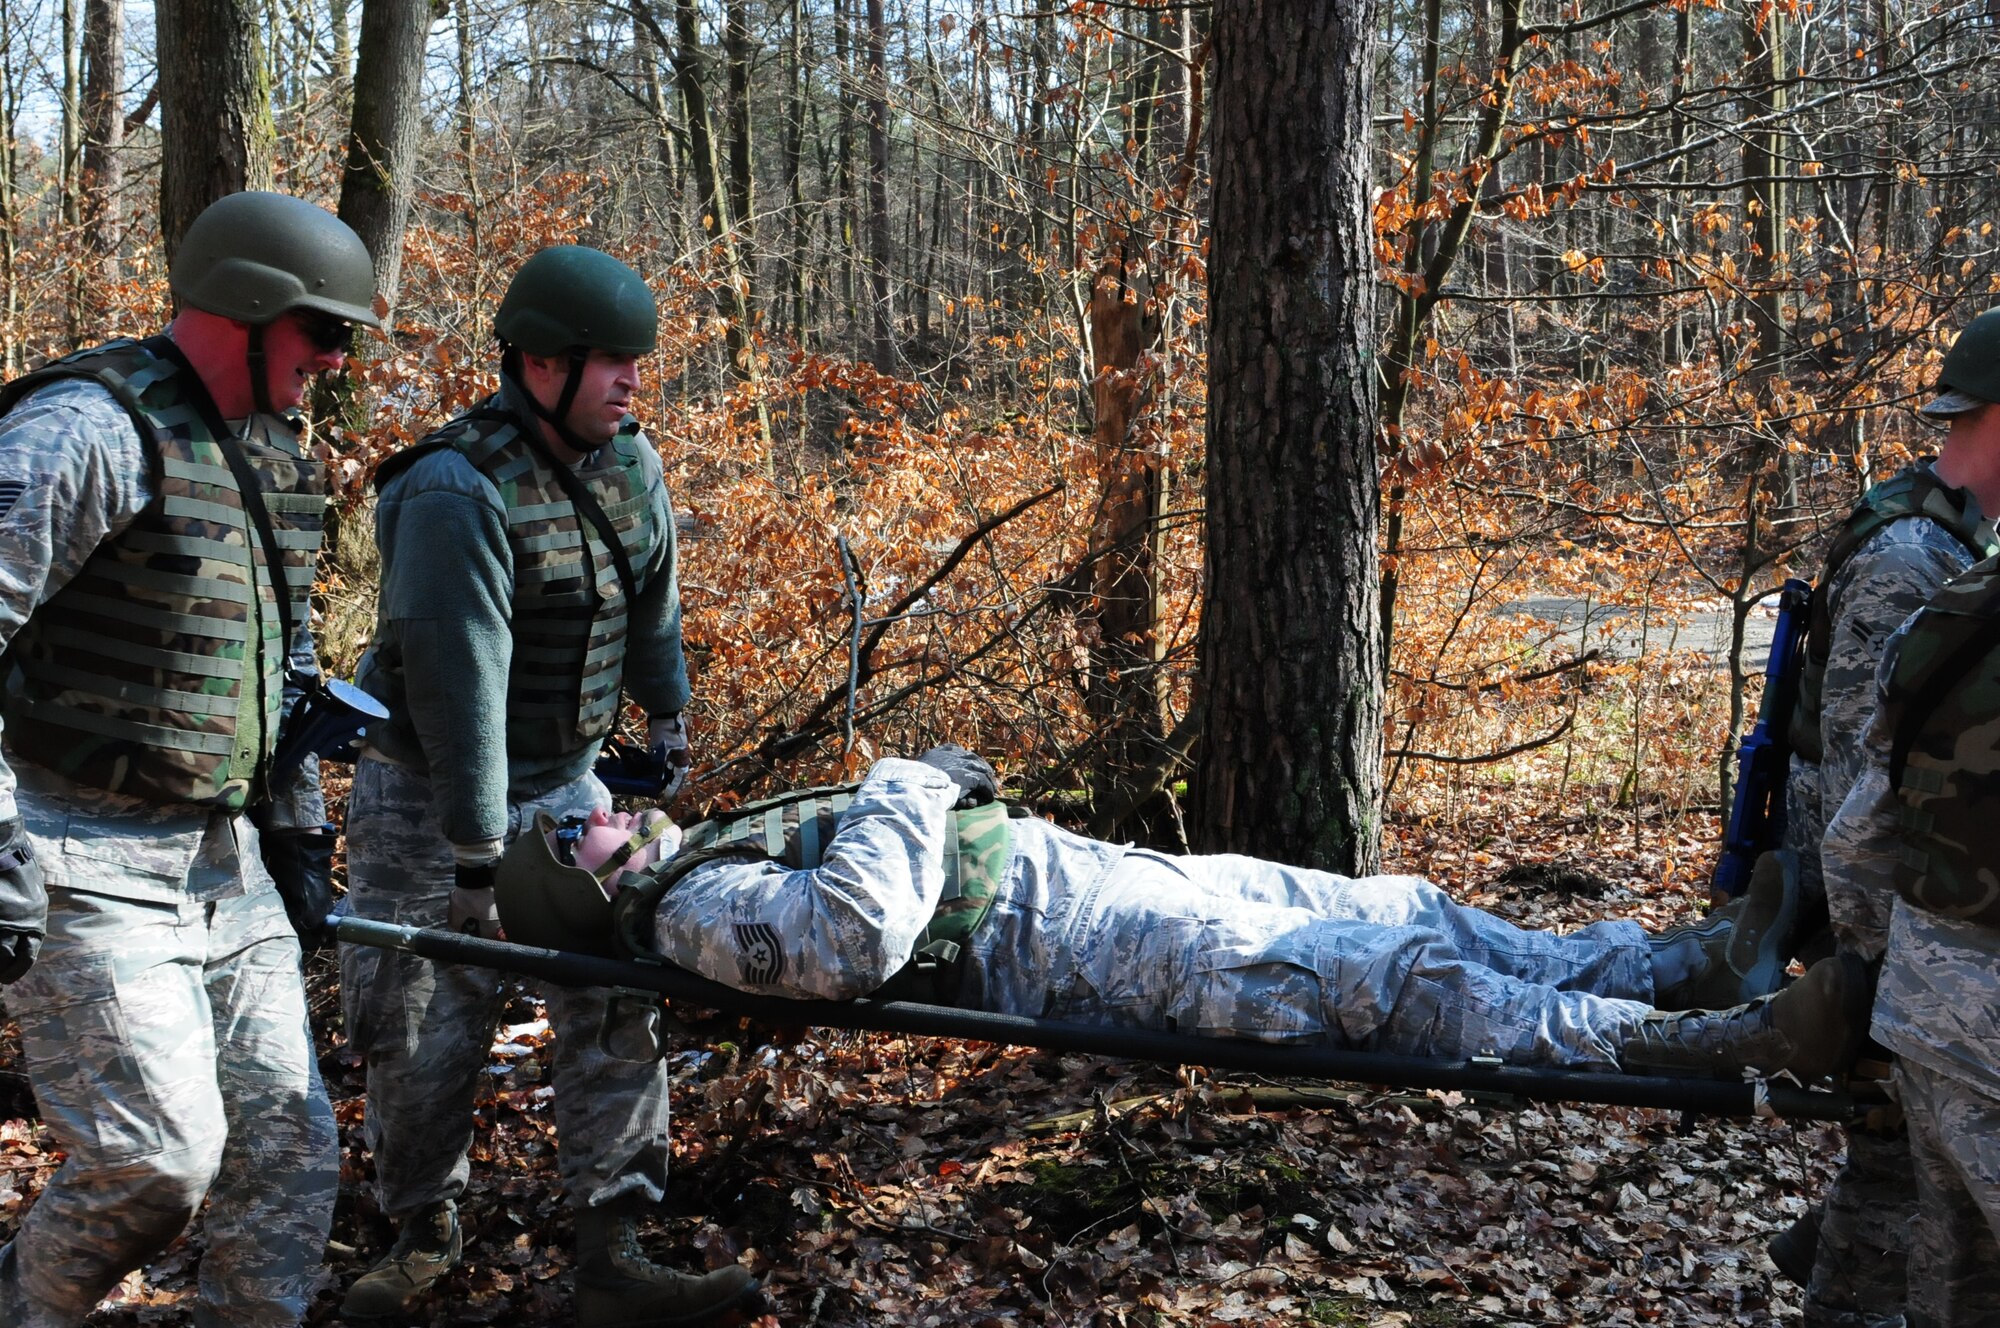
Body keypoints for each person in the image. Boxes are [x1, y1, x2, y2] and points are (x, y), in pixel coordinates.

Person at [495, 750, 1867, 1084]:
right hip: (1071, 947)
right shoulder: (691, 914)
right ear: (587, 878)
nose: (608, 804)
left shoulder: (699, 863)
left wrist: (905, 797)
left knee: (1395, 903)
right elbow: (855, 938)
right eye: (581, 825)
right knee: (1380, 981)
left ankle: (1681, 960)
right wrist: (903, 783)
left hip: (1081, 881)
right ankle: (1687, 1041)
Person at [336, 244, 755, 1327]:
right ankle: (421, 1226)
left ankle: (613, 1244)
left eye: (632, 360)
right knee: (425, 1017)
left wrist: (667, 719)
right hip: (428, 799)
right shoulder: (451, 489)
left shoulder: (631, 462)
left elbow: (651, 597)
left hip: (567, 781)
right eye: (606, 360)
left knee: (617, 982)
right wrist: (477, 856)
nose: (628, 379)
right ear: (537, 362)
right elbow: (455, 683)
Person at [0, 192, 378, 1327]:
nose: (336, 359)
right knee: (159, 1158)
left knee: (288, 1149)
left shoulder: (276, 457)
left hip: (226, 856)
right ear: (254, 311)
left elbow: (283, 667)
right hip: (77, 847)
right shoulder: (87, 430)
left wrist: (301, 829)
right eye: (324, 330)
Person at [1773, 307, 2000, 1322]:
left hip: (1913, 936)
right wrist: (1864, 958)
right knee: (1887, 1169)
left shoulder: (1955, 542)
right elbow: (1860, 774)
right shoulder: (1913, 558)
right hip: (1890, 922)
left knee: (1904, 1187)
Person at [1820, 548, 2000, 1328]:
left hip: (1928, 1009)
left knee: (1954, 1279)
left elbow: (1856, 837)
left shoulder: (1958, 606)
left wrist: (1875, 981)